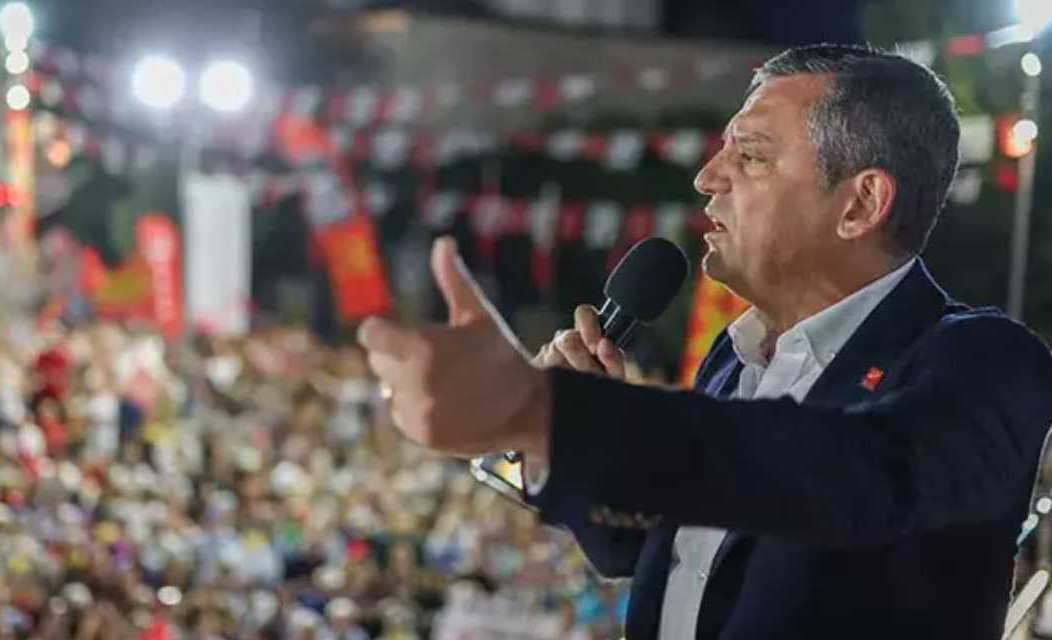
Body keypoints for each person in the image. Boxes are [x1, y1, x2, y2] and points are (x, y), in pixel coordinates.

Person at [356, 44, 1052, 639]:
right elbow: (659, 549)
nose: (706, 178)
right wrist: (546, 439)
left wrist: (552, 411)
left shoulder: (985, 361)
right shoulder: (734, 359)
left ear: (861, 203)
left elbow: (855, 479)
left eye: (749, 156)